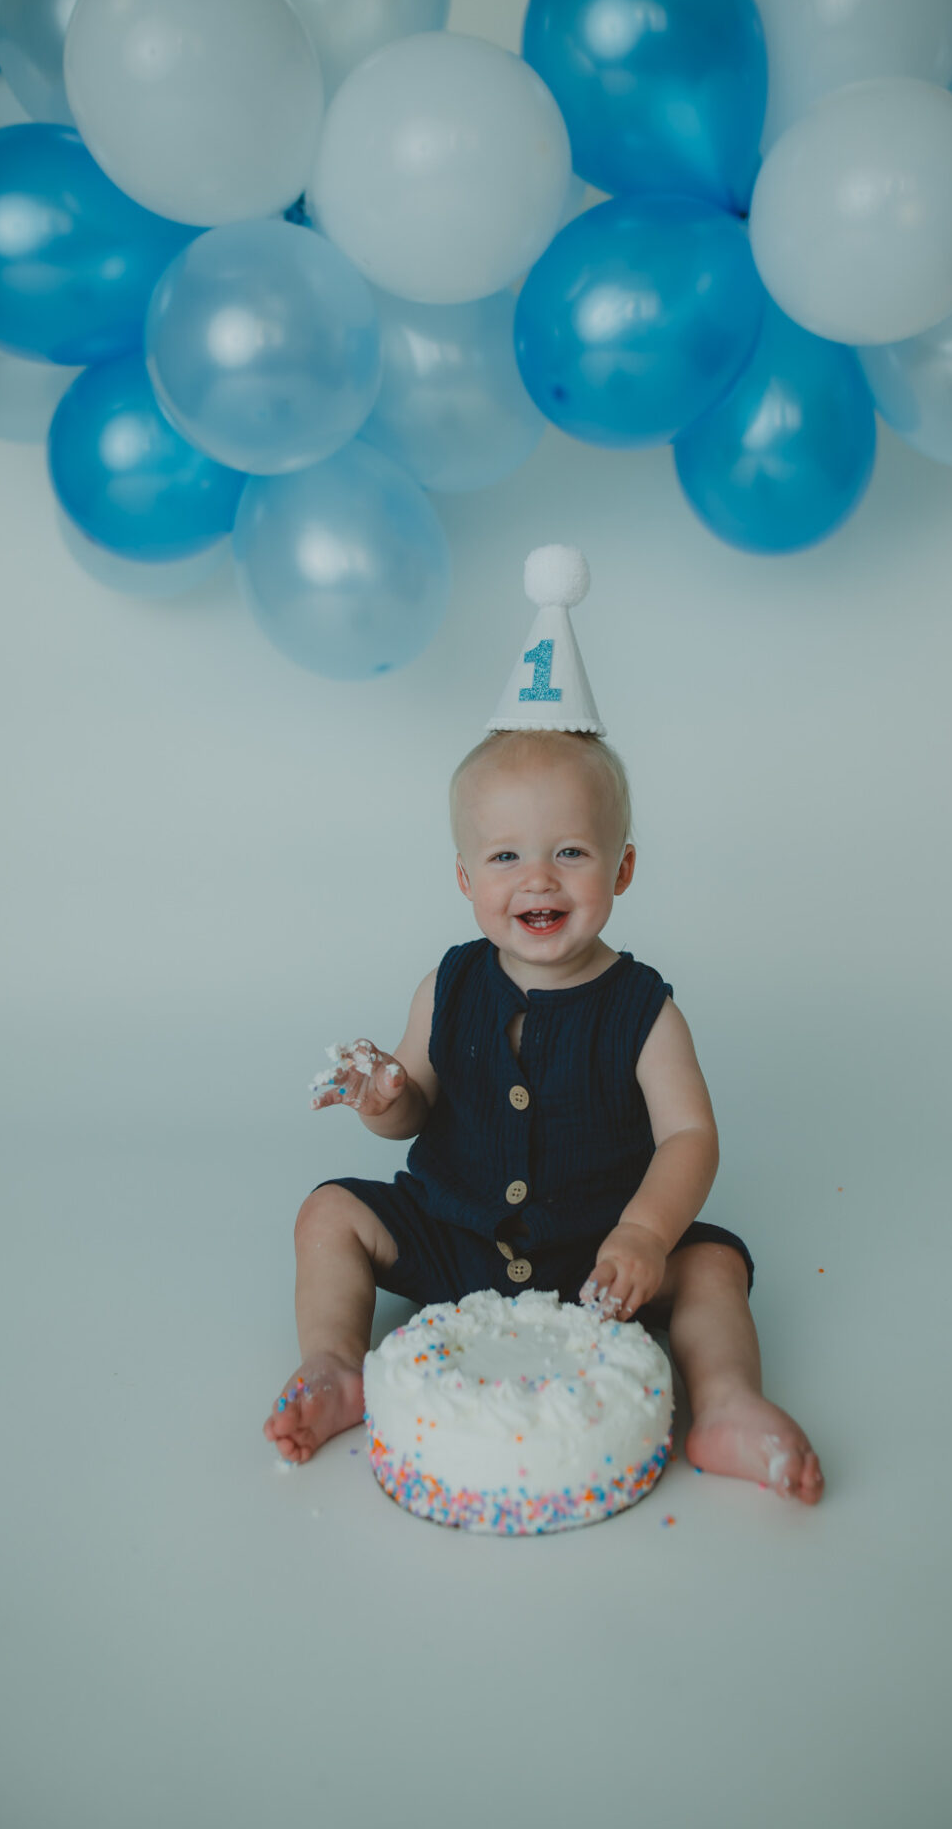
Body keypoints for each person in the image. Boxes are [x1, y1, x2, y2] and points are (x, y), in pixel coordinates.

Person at [263, 548, 823, 1502]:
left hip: (598, 1256)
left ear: (624, 870)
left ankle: (726, 1404)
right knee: (329, 1212)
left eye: (571, 852)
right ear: (464, 879)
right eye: (506, 855)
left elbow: (690, 1134)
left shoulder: (643, 1008)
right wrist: (386, 1098)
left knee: (715, 1263)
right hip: (455, 1236)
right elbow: (411, 1109)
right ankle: (337, 1365)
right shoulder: (446, 987)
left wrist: (647, 1234)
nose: (539, 880)